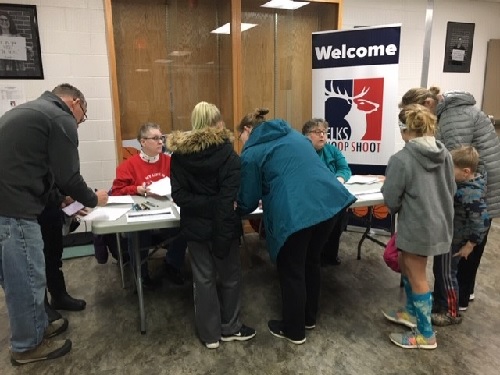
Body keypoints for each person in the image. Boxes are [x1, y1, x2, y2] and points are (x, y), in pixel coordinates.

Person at [0, 83, 109, 365]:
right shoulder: (59, 117)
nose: (79, 122)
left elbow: (34, 167)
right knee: (26, 280)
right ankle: (26, 347)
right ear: (74, 102)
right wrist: (93, 199)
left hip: (8, 206)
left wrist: (58, 198)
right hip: (13, 210)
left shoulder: (31, 112)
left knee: (24, 277)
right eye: (82, 117)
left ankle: (35, 330)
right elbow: (70, 175)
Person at [237, 109, 356, 345]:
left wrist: (235, 205)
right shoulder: (295, 136)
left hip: (298, 212)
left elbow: (248, 201)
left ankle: (294, 330)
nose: (240, 141)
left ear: (248, 130)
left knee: (291, 270)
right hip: (331, 204)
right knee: (311, 261)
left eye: (239, 135)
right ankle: (308, 318)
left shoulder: (251, 152)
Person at [400, 86, 500, 308]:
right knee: (467, 248)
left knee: (461, 250)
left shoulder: (454, 117)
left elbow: (451, 162)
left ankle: (454, 301)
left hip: (476, 189)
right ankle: (462, 296)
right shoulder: (453, 112)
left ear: (427, 103)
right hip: (480, 185)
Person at [167, 101, 256, 349]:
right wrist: (219, 203)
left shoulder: (179, 156)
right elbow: (229, 199)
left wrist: (205, 203)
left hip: (195, 227)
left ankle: (210, 336)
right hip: (224, 226)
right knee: (230, 277)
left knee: (203, 279)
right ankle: (231, 328)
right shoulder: (228, 154)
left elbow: (179, 196)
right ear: (217, 123)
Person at [382, 104, 455, 349]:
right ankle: (412, 313)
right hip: (440, 223)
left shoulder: (401, 159)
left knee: (416, 275)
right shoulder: (444, 153)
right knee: (406, 264)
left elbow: (391, 199)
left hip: (416, 226)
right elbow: (451, 188)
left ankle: (426, 335)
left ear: (404, 129)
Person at [111, 122, 187, 287]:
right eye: (155, 138)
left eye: (162, 138)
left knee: (185, 226)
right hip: (143, 215)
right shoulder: (128, 165)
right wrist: (137, 189)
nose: (161, 142)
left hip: (168, 210)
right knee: (138, 233)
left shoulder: (169, 161)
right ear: (142, 141)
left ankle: (172, 266)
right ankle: (141, 275)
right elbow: (116, 191)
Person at [431, 146, 489, 326]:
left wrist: (471, 244)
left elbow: (482, 221)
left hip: (454, 241)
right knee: (440, 272)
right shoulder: (462, 185)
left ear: (466, 171)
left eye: (450, 169)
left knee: (448, 275)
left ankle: (451, 312)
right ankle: (441, 303)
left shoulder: (470, 193)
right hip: (447, 237)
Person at [302, 118, 352, 266]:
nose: (322, 135)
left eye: (324, 132)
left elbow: (344, 168)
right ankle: (313, 256)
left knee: (341, 214)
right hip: (310, 199)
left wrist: (339, 179)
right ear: (306, 135)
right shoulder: (302, 152)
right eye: (317, 132)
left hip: (332, 195)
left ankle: (329, 254)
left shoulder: (331, 150)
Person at [38, 194, 87, 312]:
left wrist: (65, 202)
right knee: (36, 262)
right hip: (31, 209)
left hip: (50, 208)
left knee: (54, 255)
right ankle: (42, 308)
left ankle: (59, 296)